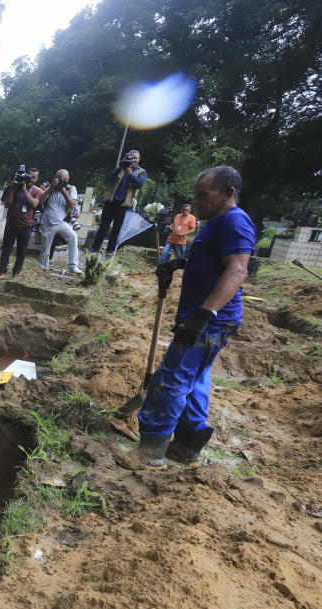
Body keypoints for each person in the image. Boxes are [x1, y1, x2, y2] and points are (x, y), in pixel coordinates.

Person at [124, 166, 256, 469]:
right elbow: (216, 261)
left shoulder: (235, 222)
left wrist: (204, 314)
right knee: (195, 380)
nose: (196, 202)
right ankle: (186, 447)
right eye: (195, 196)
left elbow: (237, 270)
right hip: (211, 320)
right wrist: (179, 264)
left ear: (228, 193)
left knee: (171, 381)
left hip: (210, 321)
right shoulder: (220, 221)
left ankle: (150, 452)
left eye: (203, 196)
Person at [90, 149, 147, 256]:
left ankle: (110, 250)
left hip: (124, 204)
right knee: (103, 226)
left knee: (117, 228)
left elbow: (139, 184)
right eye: (130, 157)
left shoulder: (141, 171)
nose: (132, 159)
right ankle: (95, 248)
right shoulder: (119, 167)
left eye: (135, 158)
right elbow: (107, 179)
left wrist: (130, 174)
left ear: (138, 160)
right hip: (111, 201)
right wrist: (120, 167)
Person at [0, 168, 42, 279]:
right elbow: (7, 204)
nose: (31, 179)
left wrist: (25, 191)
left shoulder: (37, 191)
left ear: (37, 179)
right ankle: (2, 271)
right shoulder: (14, 188)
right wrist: (12, 189)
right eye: (29, 176)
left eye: (34, 177)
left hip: (26, 226)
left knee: (21, 250)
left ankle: (16, 272)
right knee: (6, 249)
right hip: (11, 224)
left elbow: (34, 204)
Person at [37, 169, 83, 274]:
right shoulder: (51, 187)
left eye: (65, 179)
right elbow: (41, 201)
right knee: (45, 248)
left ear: (68, 179)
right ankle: (43, 267)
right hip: (47, 222)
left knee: (73, 237)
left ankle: (73, 266)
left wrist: (63, 191)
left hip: (61, 222)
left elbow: (72, 206)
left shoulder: (71, 189)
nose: (63, 181)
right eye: (61, 179)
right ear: (55, 178)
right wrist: (52, 187)